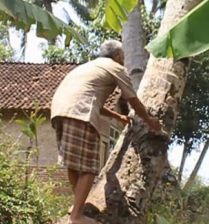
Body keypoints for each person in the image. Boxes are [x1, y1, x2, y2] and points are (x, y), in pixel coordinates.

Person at [50, 40, 163, 224]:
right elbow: (133, 100)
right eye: (123, 58)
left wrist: (118, 118)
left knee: (73, 164)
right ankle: (77, 215)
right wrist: (150, 121)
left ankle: (77, 205)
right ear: (118, 56)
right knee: (89, 167)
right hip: (80, 113)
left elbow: (91, 99)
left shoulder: (88, 67)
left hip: (60, 110)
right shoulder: (115, 67)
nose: (123, 61)